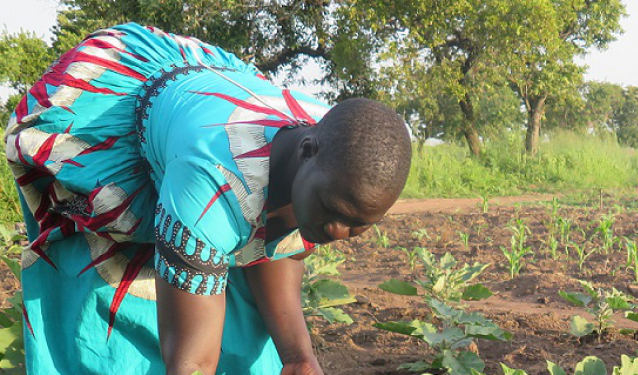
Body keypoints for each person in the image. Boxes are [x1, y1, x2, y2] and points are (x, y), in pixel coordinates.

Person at [5, 23, 412, 374]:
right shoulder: (209, 184)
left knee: (254, 338)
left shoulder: (337, 159)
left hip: (198, 122)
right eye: (332, 212)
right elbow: (191, 363)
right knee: (112, 311)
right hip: (112, 110)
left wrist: (298, 355)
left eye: (361, 225)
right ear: (305, 151)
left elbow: (279, 247)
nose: (340, 231)